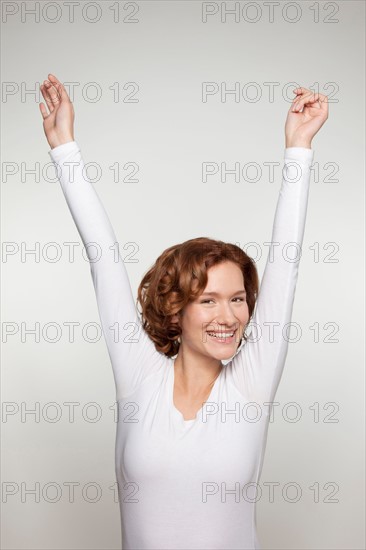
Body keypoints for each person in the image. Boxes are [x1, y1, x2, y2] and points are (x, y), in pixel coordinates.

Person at [39, 74, 328, 550]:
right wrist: (64, 146)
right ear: (176, 310)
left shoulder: (250, 386)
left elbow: (287, 264)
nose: (229, 315)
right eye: (208, 300)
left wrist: (298, 149)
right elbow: (103, 256)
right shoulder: (139, 378)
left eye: (237, 299)